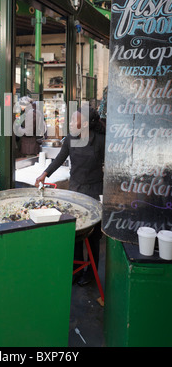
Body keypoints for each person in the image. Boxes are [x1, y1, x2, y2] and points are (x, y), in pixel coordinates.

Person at [35, 105, 105, 286]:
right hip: (75, 190)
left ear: (86, 124)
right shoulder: (70, 140)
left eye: (75, 120)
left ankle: (91, 272)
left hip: (94, 190)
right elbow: (59, 159)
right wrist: (44, 174)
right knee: (75, 231)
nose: (71, 122)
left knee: (93, 236)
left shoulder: (101, 140)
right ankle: (77, 269)